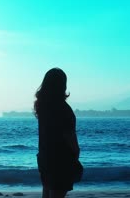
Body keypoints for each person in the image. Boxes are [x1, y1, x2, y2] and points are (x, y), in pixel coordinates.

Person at [34, 68, 82, 198]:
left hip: (45, 159)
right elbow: (69, 136)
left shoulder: (43, 107)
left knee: (47, 193)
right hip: (61, 161)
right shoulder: (63, 109)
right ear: (63, 85)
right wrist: (76, 152)